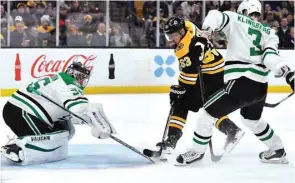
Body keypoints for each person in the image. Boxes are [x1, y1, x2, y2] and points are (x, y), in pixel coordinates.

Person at [176, 0, 294, 165]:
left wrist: (204, 36)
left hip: (241, 81)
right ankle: (277, 149)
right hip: (260, 86)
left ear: (243, 10)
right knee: (251, 120)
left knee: (206, 115)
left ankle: (197, 152)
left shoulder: (235, 18)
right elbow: (270, 57)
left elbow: (214, 15)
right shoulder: (269, 31)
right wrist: (289, 74)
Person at [156, 17, 244, 155]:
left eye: (173, 36)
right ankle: (230, 129)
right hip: (217, 68)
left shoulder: (183, 49)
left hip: (209, 74)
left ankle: (172, 139)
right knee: (208, 105)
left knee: (182, 102)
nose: (171, 39)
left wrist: (179, 90)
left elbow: (189, 76)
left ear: (181, 31)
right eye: (169, 36)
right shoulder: (189, 26)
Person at [1, 62, 117, 165]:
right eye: (83, 77)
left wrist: (89, 121)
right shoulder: (68, 84)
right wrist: (99, 124)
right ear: (76, 75)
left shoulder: (60, 79)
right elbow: (79, 108)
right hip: (22, 112)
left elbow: (70, 113)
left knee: (67, 130)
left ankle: (23, 141)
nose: (83, 81)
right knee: (45, 142)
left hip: (23, 110)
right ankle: (14, 148)